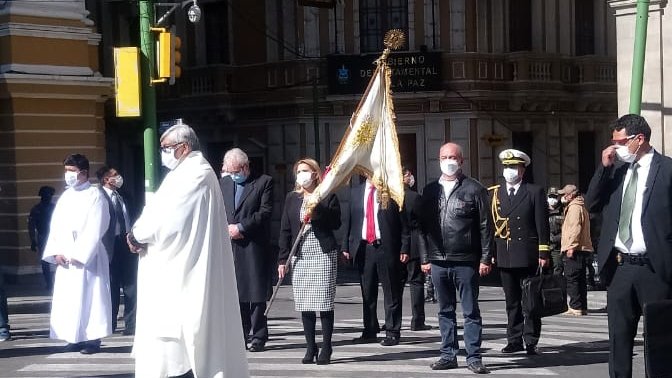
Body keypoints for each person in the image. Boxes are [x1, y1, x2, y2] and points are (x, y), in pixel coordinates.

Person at [127, 122, 249, 378]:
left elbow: (166, 219)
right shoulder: (185, 173)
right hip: (175, 265)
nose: (163, 153)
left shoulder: (195, 175)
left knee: (182, 346)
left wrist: (137, 235)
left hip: (183, 271)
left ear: (183, 148)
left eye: (166, 148)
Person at [585, 114, 672, 378]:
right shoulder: (616, 171)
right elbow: (591, 204)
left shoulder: (667, 170)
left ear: (639, 139)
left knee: (659, 339)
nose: (614, 148)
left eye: (620, 142)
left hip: (655, 268)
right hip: (621, 266)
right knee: (619, 337)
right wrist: (604, 168)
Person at [416, 143, 493, 374]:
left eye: (452, 157)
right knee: (444, 310)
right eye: (444, 157)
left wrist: (486, 258)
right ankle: (448, 354)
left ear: (461, 160)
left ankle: (474, 357)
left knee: (470, 311)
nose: (448, 160)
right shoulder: (430, 190)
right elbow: (421, 227)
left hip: (466, 260)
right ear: (438, 159)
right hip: (438, 259)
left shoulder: (474, 189)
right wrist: (424, 257)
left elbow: (485, 226)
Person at [42, 153, 112, 354]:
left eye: (71, 171)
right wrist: (55, 252)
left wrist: (80, 253)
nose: (68, 175)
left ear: (84, 172)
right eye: (66, 171)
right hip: (65, 258)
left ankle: (92, 339)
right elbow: (55, 226)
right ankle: (74, 337)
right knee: (70, 300)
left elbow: (96, 226)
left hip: (87, 259)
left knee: (92, 298)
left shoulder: (95, 195)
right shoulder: (66, 196)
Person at [277, 158, 341, 365]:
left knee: (323, 301)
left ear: (315, 173)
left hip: (322, 253)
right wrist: (282, 259)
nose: (302, 175)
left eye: (305, 171)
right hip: (300, 254)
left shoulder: (327, 195)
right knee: (305, 302)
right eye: (299, 171)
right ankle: (310, 346)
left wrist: (317, 209)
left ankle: (326, 346)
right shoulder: (292, 198)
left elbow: (335, 222)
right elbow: (286, 229)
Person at [492, 149, 550, 356]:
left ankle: (531, 340)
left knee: (530, 300)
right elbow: (492, 225)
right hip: (506, 254)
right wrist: (490, 253)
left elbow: (542, 224)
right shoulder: (496, 193)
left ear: (522, 170)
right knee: (512, 301)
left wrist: (543, 253)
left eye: (514, 167)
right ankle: (514, 339)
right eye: (506, 167)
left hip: (527, 254)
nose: (510, 171)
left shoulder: (534, 191)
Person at [342, 177, 410, 346]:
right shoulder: (355, 192)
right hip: (364, 247)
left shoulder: (391, 191)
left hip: (386, 246)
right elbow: (349, 221)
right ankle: (370, 329)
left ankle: (392, 331)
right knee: (367, 291)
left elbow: (404, 223)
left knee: (391, 290)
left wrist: (405, 247)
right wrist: (346, 245)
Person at [220, 147, 274, 352]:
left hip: (254, 244)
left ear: (245, 167)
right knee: (237, 294)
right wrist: (227, 228)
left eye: (236, 171)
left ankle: (259, 336)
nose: (233, 175)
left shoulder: (264, 182)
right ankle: (240, 335)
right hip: (230, 245)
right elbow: (219, 209)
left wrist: (241, 228)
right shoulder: (223, 183)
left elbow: (265, 211)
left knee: (257, 293)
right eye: (230, 171)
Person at [96, 166, 137, 335]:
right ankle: (109, 323)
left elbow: (131, 215)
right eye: (114, 175)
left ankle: (131, 324)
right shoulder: (99, 196)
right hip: (109, 245)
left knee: (131, 286)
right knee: (111, 287)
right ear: (106, 179)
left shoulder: (123, 195)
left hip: (125, 243)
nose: (118, 177)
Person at [401, 167, 431, 331]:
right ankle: (417, 320)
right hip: (413, 243)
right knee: (416, 282)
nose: (410, 177)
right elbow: (422, 223)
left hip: (396, 243)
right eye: (407, 174)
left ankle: (393, 320)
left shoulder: (389, 197)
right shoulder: (414, 197)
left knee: (395, 285)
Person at [558, 184, 593, 316]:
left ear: (571, 195)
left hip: (575, 247)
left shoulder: (574, 208)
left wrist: (571, 246)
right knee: (581, 278)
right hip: (582, 247)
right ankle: (582, 306)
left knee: (572, 278)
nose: (562, 197)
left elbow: (575, 228)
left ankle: (575, 306)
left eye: (564, 194)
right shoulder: (582, 205)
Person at [27, 185, 56, 290]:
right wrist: (33, 240)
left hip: (55, 236)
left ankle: (55, 282)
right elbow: (31, 226)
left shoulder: (55, 208)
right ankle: (49, 282)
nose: (48, 197)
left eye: (50, 195)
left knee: (59, 259)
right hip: (43, 237)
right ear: (41, 196)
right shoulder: (36, 209)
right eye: (46, 195)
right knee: (45, 262)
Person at [547, 187, 564, 275]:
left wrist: (555, 238)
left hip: (557, 247)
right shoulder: (542, 210)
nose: (552, 199)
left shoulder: (563, 211)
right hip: (544, 247)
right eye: (551, 196)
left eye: (555, 196)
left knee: (558, 268)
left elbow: (567, 230)